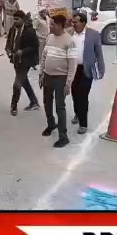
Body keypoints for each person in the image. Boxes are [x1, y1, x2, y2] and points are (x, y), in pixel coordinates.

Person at [39, 15, 76, 148]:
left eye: (52, 24)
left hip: (61, 78)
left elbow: (72, 64)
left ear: (60, 25)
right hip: (47, 76)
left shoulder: (69, 41)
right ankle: (51, 125)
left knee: (60, 107)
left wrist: (68, 83)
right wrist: (41, 73)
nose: (50, 26)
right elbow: (44, 56)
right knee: (47, 102)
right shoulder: (49, 37)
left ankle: (63, 137)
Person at [70, 12, 105, 134]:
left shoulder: (93, 34)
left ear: (84, 23)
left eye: (76, 22)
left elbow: (99, 53)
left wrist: (101, 69)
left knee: (82, 95)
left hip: (87, 69)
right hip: (73, 69)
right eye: (73, 22)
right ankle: (78, 113)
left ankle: (83, 124)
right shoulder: (69, 34)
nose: (74, 24)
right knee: (74, 93)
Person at [5, 10, 40, 116]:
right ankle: (34, 101)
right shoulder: (12, 29)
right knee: (23, 80)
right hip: (16, 60)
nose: (15, 21)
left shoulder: (29, 31)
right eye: (14, 19)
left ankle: (13, 106)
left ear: (23, 19)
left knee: (17, 83)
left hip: (25, 61)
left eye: (17, 19)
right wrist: (8, 50)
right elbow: (9, 42)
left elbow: (34, 46)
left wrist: (22, 51)